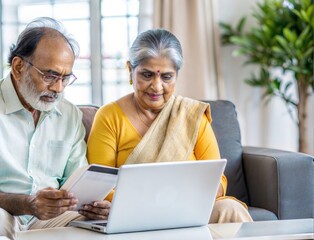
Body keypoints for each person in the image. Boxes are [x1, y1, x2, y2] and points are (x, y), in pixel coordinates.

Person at [0, 17, 95, 240]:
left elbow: (77, 182)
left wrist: (90, 206)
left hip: (44, 219)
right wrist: (28, 204)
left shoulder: (69, 114)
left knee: (93, 224)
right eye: (50, 76)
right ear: (18, 66)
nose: (58, 88)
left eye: (65, 78)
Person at [80, 29, 253, 223]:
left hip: (189, 208)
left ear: (177, 75)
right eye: (147, 75)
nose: (156, 86)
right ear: (130, 70)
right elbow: (100, 185)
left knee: (230, 209)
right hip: (133, 214)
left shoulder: (192, 115)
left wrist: (184, 199)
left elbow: (217, 179)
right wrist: (144, 205)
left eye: (166, 77)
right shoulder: (110, 116)